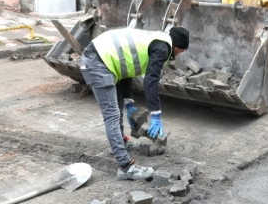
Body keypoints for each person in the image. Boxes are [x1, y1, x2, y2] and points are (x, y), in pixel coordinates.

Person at [80, 26, 190, 180]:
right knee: (112, 115)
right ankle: (125, 167)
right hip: (98, 62)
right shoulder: (163, 48)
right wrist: (156, 114)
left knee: (116, 110)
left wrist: (129, 103)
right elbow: (151, 80)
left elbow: (126, 67)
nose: (180, 54)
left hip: (102, 60)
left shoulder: (155, 39)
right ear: (179, 48)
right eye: (181, 51)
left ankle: (119, 146)